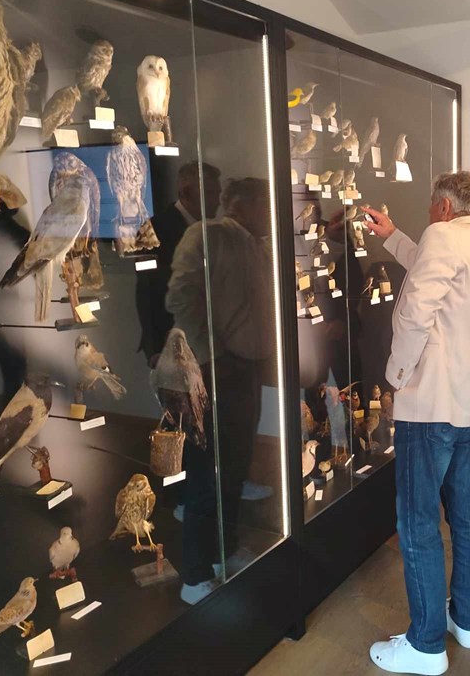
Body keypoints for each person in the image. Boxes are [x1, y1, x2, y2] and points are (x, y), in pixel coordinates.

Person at [362, 172, 470, 676]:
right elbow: (441, 278)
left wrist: (395, 376)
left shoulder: (442, 237)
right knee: (466, 520)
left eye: (431, 206)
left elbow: (414, 314)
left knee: (418, 523)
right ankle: (464, 621)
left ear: (444, 207)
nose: (430, 214)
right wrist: (393, 236)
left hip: (429, 405)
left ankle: (425, 645)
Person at [166, 177, 275, 605]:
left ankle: (222, 553)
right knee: (206, 471)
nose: (270, 214)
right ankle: (194, 575)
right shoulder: (206, 236)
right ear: (242, 205)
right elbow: (180, 298)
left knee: (234, 468)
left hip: (245, 371)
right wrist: (214, 358)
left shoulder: (257, 246)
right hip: (214, 373)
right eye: (265, 205)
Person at [136, 160, 221, 364]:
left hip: (203, 341)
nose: (218, 201)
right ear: (186, 193)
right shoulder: (156, 229)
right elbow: (148, 291)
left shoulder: (211, 231)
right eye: (210, 193)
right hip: (171, 344)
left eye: (217, 193)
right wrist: (156, 347)